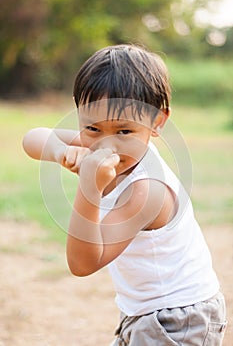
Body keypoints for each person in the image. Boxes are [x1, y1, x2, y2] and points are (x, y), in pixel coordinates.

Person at [23, 44, 227, 345]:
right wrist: (62, 151)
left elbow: (82, 263)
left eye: (124, 132)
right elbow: (33, 138)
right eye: (92, 128)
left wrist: (89, 187)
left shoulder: (147, 192)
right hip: (146, 310)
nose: (108, 145)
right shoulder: (104, 139)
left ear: (156, 121)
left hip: (177, 319)